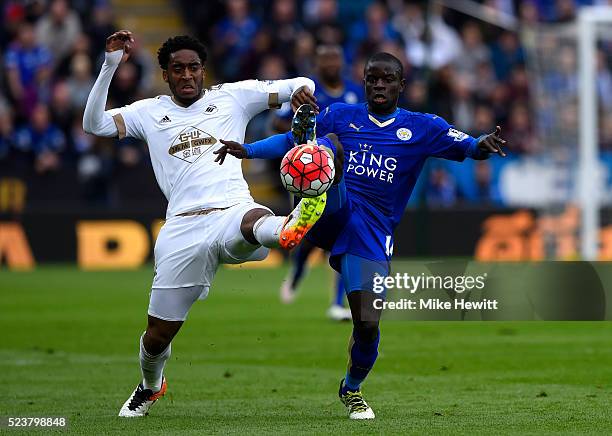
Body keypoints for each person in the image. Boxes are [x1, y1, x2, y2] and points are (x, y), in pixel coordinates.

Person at [215, 52, 506, 420]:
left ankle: (351, 388)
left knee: (367, 325)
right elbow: (285, 139)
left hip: (371, 231)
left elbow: (468, 146)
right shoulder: (339, 114)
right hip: (332, 210)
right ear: (364, 82)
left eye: (387, 79)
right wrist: (249, 150)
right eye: (372, 79)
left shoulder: (423, 127)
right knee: (329, 146)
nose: (379, 85)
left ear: (401, 85)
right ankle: (306, 200)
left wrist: (484, 143)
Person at [82, 30, 329, 418]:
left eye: (193, 68)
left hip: (231, 209)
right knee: (157, 336)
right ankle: (150, 386)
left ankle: (289, 225)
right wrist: (110, 64)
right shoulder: (148, 112)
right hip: (181, 227)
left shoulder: (232, 97)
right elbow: (94, 125)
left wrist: (297, 96)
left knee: (253, 223)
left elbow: (303, 83)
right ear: (165, 74)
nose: (186, 75)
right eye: (177, 69)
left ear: (203, 70)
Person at [275, 45, 363, 321]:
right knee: (310, 239)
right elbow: (277, 125)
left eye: (335, 58)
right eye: (325, 60)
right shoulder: (307, 94)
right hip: (310, 174)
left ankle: (337, 303)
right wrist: (305, 136)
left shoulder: (355, 93)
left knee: (343, 237)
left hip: (345, 174)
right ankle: (297, 273)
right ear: (317, 64)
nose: (331, 64)